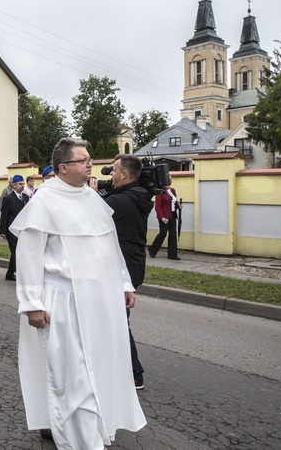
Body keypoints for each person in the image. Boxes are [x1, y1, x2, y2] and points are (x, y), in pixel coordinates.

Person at [11, 138, 146, 447]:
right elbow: (29, 255)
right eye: (83, 159)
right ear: (63, 167)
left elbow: (109, 248)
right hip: (62, 299)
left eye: (88, 159)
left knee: (96, 367)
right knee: (73, 375)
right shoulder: (44, 201)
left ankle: (90, 429)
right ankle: (81, 442)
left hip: (99, 300)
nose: (90, 164)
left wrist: (125, 283)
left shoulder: (92, 198)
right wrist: (31, 302)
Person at [97, 154, 154, 390]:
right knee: (113, 321)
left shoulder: (119, 202)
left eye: (114, 171)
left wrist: (91, 194)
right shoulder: (136, 195)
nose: (110, 174)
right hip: (132, 264)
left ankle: (134, 374)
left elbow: (90, 216)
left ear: (124, 174)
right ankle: (114, 367)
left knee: (118, 324)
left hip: (123, 269)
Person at [0, 175, 29, 281]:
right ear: (14, 185)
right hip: (12, 229)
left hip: (23, 229)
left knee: (19, 251)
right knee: (16, 252)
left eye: (23, 184)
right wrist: (3, 231)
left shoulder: (26, 197)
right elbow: (4, 215)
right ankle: (19, 273)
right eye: (20, 184)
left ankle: (10, 272)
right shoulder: (8, 198)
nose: (22, 186)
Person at [148, 178, 181, 260]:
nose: (168, 183)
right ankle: (152, 249)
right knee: (163, 234)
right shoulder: (160, 192)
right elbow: (157, 207)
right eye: (166, 182)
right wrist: (162, 217)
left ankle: (172, 255)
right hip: (164, 216)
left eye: (169, 182)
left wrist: (178, 206)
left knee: (173, 235)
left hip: (172, 215)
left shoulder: (172, 190)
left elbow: (174, 202)